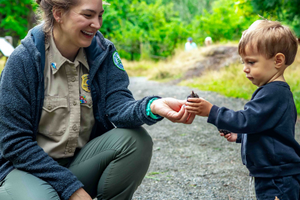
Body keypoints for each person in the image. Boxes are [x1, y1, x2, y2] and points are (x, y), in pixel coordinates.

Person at [0, 0, 195, 200]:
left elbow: (117, 106)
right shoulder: (23, 60)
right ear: (58, 14)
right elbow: (15, 143)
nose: (97, 24)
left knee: (136, 141)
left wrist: (152, 106)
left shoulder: (103, 52)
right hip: (29, 170)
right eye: (88, 15)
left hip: (79, 164)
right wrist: (72, 190)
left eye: (100, 15)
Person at [185, 19, 300, 200]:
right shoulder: (272, 91)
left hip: (278, 178)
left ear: (278, 60)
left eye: (252, 62)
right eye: (243, 62)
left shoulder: (274, 92)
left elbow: (246, 120)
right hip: (272, 173)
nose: (245, 69)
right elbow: (266, 130)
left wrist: (212, 111)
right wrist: (239, 136)